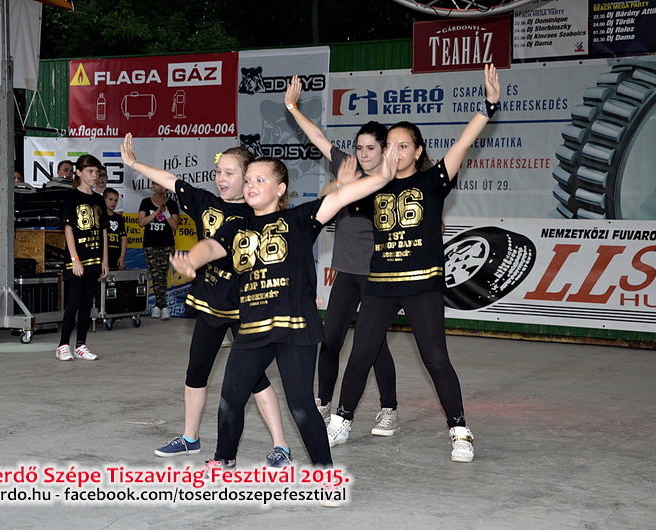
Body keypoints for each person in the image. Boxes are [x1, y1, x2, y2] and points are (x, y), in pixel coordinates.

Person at [169, 145, 397, 478]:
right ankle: (224, 459)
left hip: (295, 329)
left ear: (280, 189)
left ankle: (325, 475)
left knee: (301, 406)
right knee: (231, 397)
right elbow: (210, 246)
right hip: (253, 329)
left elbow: (342, 197)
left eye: (260, 180)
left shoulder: (299, 219)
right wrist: (192, 259)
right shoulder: (236, 226)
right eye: (248, 180)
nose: (251, 186)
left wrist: (384, 176)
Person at [326, 64, 501, 463]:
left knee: (435, 358)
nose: (396, 151)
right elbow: (334, 201)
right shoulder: (373, 187)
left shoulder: (433, 180)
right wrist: (342, 184)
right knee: (360, 353)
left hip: (423, 284)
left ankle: (460, 430)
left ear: (418, 151)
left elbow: (464, 142)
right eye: (391, 145)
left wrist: (489, 105)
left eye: (404, 145)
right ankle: (341, 420)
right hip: (381, 284)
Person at [121, 135, 291, 467]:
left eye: (229, 173)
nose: (220, 179)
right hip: (210, 304)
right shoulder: (206, 203)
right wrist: (134, 164)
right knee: (196, 372)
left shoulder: (257, 215)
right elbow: (170, 180)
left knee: (256, 379)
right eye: (218, 172)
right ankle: (190, 438)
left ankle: (280, 446)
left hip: (245, 309)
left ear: (247, 178)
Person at [285, 76, 399, 436]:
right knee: (330, 340)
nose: (363, 154)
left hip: (377, 275)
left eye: (370, 148)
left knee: (374, 346)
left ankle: (389, 409)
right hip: (346, 272)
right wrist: (292, 108)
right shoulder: (347, 169)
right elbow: (319, 139)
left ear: (384, 150)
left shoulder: (390, 181)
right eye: (359, 147)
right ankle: (323, 402)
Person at [56, 154, 109, 361]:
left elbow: (103, 230)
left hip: (95, 258)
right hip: (77, 258)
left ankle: (81, 344)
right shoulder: (71, 197)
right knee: (74, 302)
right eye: (90, 171)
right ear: (79, 173)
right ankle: (62, 345)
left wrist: (104, 260)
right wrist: (74, 259)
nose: (94, 175)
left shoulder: (98, 199)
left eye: (97, 172)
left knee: (87, 303)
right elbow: (68, 229)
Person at [138, 179, 179, 320]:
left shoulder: (172, 204)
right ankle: (163, 306)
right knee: (156, 275)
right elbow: (141, 222)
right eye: (157, 184)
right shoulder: (146, 202)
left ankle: (158, 306)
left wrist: (166, 213)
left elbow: (174, 226)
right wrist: (155, 213)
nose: (160, 187)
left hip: (167, 244)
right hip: (151, 244)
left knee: (162, 275)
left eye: (162, 184)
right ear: (153, 185)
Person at [104, 188, 127, 270]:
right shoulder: (100, 217)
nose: (113, 202)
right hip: (103, 256)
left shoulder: (119, 218)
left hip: (116, 255)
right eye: (110, 199)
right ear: (104, 199)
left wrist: (122, 256)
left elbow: (123, 238)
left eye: (116, 200)